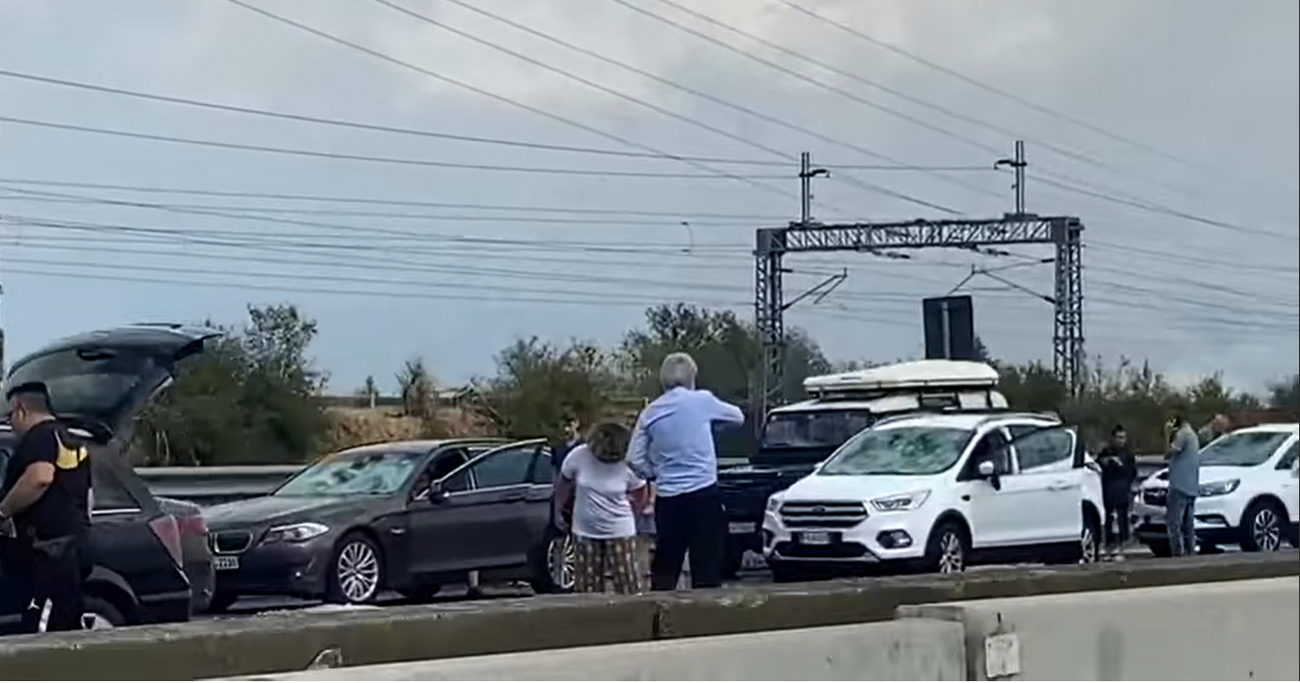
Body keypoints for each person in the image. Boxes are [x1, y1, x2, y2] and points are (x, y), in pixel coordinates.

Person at [628, 352, 745, 591]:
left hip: (668, 497)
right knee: (707, 562)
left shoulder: (650, 412)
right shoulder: (701, 400)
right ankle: (706, 617)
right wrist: (714, 425)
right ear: (693, 377)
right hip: (703, 493)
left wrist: (655, 473)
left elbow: (633, 458)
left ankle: (661, 615)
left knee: (667, 562)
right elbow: (738, 417)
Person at [0, 382, 93, 633]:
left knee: (44, 634)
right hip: (68, 550)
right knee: (64, 624)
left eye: (10, 416)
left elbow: (40, 477)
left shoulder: (39, 436)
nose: (12, 424)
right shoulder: (72, 440)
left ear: (20, 409)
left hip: (47, 556)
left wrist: (3, 511)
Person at [555, 422, 648, 595]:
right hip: (585, 530)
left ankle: (633, 618)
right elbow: (563, 483)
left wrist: (636, 514)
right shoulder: (578, 456)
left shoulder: (629, 463)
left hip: (620, 530)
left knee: (627, 582)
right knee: (587, 586)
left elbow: (640, 491)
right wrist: (558, 510)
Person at [1097, 425, 1137, 557]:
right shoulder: (1106, 452)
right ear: (1113, 438)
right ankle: (1109, 545)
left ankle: (1122, 545)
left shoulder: (1128, 454)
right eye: (1119, 437)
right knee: (1108, 518)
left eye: (1123, 438)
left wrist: (1121, 467)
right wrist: (1107, 462)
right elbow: (1098, 467)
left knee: (1122, 518)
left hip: (1122, 490)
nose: (1121, 440)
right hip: (1108, 490)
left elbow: (1132, 472)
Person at [1164, 413, 1201, 557]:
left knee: (1174, 524)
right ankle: (1191, 554)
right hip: (1191, 487)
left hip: (1179, 485)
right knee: (1189, 526)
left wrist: (1167, 435)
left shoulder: (1182, 434)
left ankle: (1177, 556)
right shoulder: (1193, 435)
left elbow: (1168, 453)